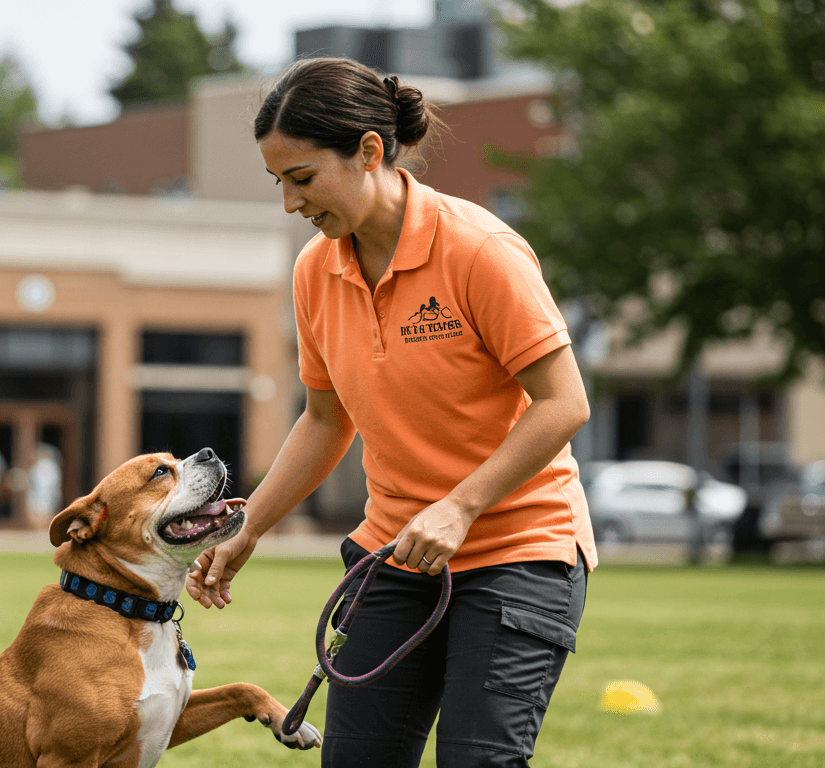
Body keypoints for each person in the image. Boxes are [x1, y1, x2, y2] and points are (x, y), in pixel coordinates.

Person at [186, 58, 597, 768]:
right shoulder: (317, 271)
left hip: (517, 552)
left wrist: (459, 507)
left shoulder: (478, 250)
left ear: (369, 152)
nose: (290, 203)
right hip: (392, 555)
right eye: (278, 182)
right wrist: (249, 526)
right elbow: (323, 420)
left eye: (303, 178)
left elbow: (565, 403)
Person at [26, 443, 63, 529]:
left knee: (43, 515)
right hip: (39, 495)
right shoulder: (39, 466)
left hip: (44, 495)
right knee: (38, 515)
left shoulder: (47, 466)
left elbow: (46, 484)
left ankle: (42, 531)